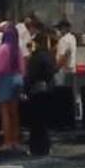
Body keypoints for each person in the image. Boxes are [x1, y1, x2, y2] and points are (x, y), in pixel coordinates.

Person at [0, 25, 26, 151]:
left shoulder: (3, 49)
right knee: (14, 113)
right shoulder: (18, 49)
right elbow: (23, 68)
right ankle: (16, 140)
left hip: (4, 80)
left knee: (4, 112)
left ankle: (7, 141)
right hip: (17, 80)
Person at [25, 28, 57, 156]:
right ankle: (45, 147)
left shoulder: (36, 57)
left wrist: (26, 89)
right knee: (43, 122)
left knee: (36, 123)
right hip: (48, 89)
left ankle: (36, 148)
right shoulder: (49, 55)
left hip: (36, 91)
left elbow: (31, 75)